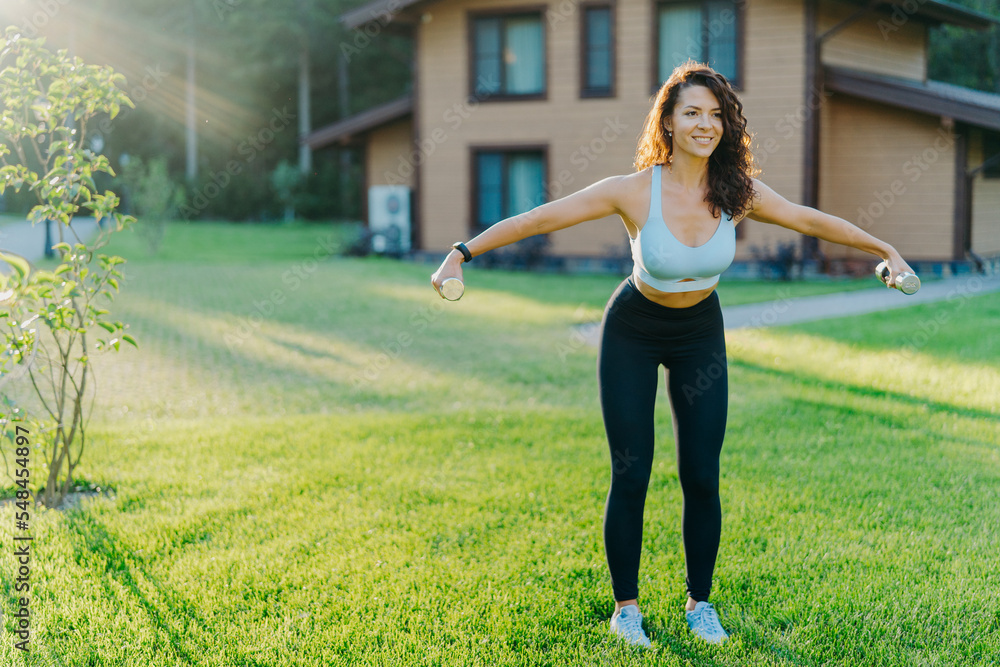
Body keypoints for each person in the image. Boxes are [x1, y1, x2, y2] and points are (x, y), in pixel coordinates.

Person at [430, 60, 915, 648]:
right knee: (632, 472)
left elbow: (809, 220)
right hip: (633, 329)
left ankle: (699, 604)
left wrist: (883, 246)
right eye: (691, 113)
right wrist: (462, 252)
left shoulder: (738, 193)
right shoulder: (635, 190)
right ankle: (627, 609)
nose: (704, 124)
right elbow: (541, 218)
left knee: (702, 476)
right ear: (668, 120)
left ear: (727, 125)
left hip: (699, 334)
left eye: (715, 115)